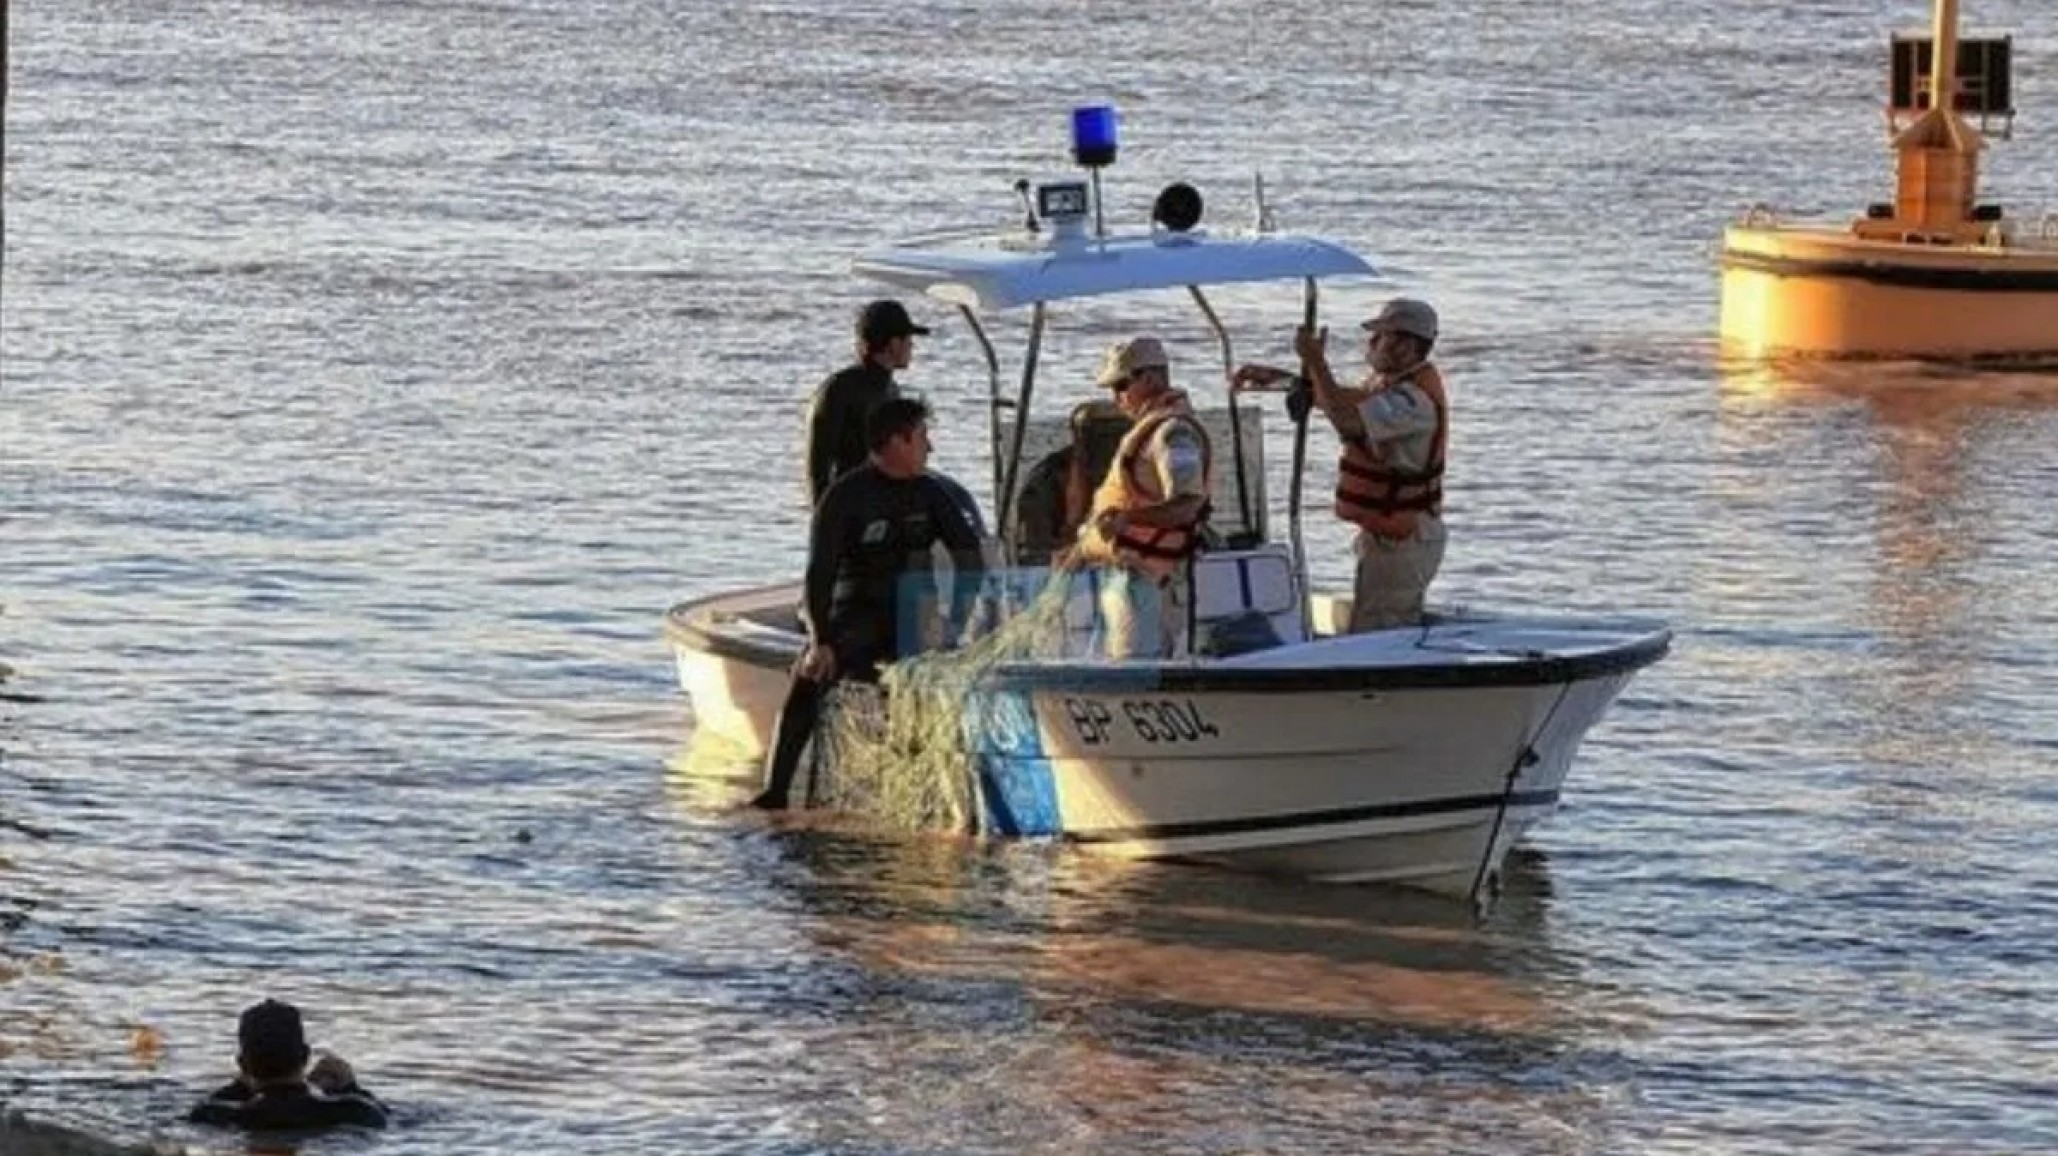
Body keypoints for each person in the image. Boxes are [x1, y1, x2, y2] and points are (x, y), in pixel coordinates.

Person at [752, 396, 988, 810]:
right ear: (897, 442)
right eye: (922, 438)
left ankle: (943, 791)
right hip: (855, 613)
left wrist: (956, 625)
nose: (929, 448)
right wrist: (819, 639)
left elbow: (971, 560)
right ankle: (775, 793)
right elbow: (818, 573)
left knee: (932, 693)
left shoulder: (932, 492)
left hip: (914, 617)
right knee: (808, 678)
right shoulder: (846, 496)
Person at [1232, 297, 1448, 631]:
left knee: (1383, 628)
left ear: (1406, 345)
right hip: (1387, 530)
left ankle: (1380, 681)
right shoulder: (1388, 386)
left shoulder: (1413, 402)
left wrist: (1316, 360)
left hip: (1407, 537)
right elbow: (1336, 397)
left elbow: (1347, 420)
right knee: (1370, 619)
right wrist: (1281, 379)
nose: (1372, 343)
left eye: (1382, 336)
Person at [1067, 337, 1214, 659]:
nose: (1116, 398)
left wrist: (1128, 520)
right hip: (1129, 575)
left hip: (1152, 582)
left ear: (1150, 379)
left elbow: (1187, 503)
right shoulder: (1147, 431)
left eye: (1121, 385)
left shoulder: (1173, 433)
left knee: (1136, 667)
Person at [187, 999, 389, 1131]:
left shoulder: (213, 1115)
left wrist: (238, 1087)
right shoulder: (356, 1110)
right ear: (305, 1055)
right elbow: (385, 1119)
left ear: (242, 1064)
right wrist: (350, 1087)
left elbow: (199, 1112)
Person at [804, 299, 931, 507]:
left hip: (877, 503)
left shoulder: (890, 388)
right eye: (908, 338)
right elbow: (818, 464)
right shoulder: (840, 388)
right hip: (848, 504)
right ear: (893, 343)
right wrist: (824, 516)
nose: (912, 346)